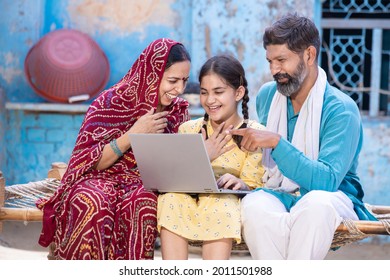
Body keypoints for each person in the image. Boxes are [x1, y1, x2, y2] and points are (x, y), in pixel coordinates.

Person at [229, 13, 377, 260]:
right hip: (279, 192)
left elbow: (327, 181)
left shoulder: (341, 110)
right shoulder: (268, 96)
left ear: (309, 55)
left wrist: (276, 142)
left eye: (282, 60)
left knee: (315, 205)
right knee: (254, 205)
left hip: (334, 197)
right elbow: (268, 168)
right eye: (269, 61)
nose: (275, 70)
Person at [36, 38, 191, 260]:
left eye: (184, 81)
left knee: (143, 203)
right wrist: (133, 135)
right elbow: (87, 162)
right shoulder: (110, 102)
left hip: (144, 183)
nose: (180, 89)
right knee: (93, 202)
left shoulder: (178, 111)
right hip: (98, 177)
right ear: (151, 74)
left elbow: (174, 164)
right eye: (173, 80)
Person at [157, 54, 265, 260]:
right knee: (171, 198)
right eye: (204, 92)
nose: (210, 100)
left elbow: (255, 184)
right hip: (187, 199)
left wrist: (241, 184)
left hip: (224, 204)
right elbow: (173, 177)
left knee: (221, 203)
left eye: (218, 92)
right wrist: (203, 155)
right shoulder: (189, 129)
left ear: (238, 92)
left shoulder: (254, 134)